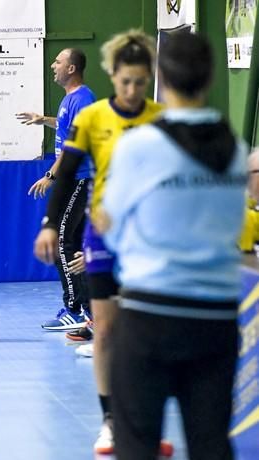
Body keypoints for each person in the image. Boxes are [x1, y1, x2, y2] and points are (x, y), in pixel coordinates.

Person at [98, 31, 247, 460]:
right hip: (216, 318)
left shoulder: (140, 146)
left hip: (150, 315)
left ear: (159, 77)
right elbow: (234, 223)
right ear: (211, 76)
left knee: (137, 444)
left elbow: (110, 224)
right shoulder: (236, 151)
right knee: (210, 444)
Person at [33, 30, 171, 456]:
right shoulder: (92, 118)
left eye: (139, 81)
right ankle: (111, 421)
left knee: (147, 332)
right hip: (103, 232)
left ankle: (147, 423)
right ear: (113, 77)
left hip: (146, 237)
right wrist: (50, 225)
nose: (131, 89)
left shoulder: (159, 120)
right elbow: (67, 173)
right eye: (124, 80)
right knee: (108, 330)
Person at [16, 48, 95, 332]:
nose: (53, 65)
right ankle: (86, 308)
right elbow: (65, 127)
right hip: (73, 178)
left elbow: (75, 146)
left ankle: (74, 309)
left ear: (71, 69)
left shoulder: (83, 99)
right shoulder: (70, 100)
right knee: (71, 242)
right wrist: (43, 119)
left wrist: (50, 175)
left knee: (63, 240)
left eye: (58, 62)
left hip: (80, 178)